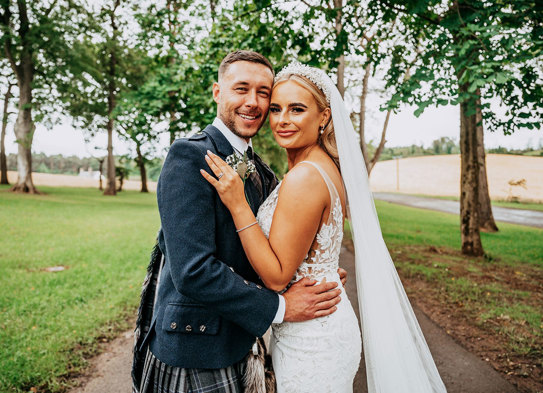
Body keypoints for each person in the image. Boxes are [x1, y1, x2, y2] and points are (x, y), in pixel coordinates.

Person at [202, 62, 448, 393]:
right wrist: (324, 271)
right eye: (275, 109)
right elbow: (311, 249)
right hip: (320, 321)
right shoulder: (324, 168)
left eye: (297, 109)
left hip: (312, 340)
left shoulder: (304, 176)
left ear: (324, 117)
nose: (282, 119)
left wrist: (238, 204)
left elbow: (276, 275)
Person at [134, 51, 348, 393]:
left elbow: (272, 246)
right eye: (241, 89)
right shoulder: (190, 155)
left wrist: (312, 270)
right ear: (218, 92)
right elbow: (192, 271)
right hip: (195, 349)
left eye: (264, 93)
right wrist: (281, 306)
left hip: (240, 340)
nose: (253, 102)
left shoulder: (262, 170)